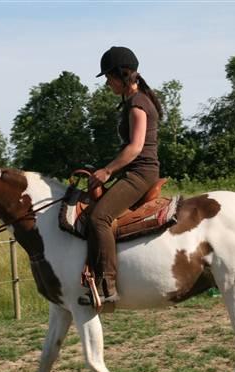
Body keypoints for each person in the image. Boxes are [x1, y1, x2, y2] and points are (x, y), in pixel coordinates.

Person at [82, 46, 163, 305]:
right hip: (135, 171)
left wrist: (107, 171)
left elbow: (135, 147)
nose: (107, 83)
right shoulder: (133, 101)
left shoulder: (138, 104)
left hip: (142, 173)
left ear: (123, 74)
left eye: (108, 77)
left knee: (99, 217)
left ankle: (107, 286)